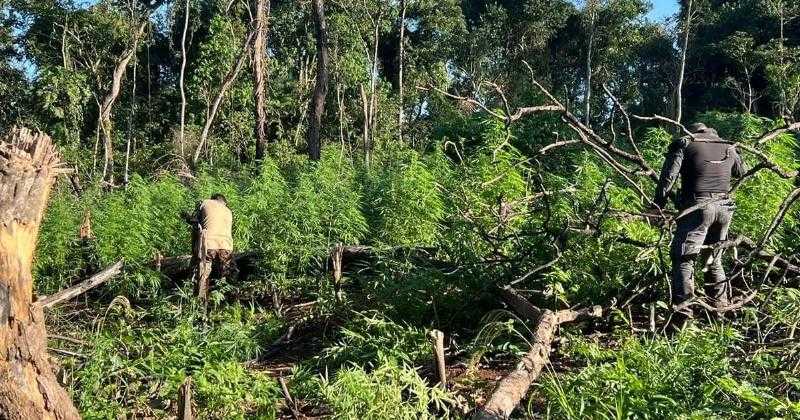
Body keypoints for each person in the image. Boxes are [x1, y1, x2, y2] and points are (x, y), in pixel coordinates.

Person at [653, 122, 746, 316]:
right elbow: (742, 172)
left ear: (691, 131)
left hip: (698, 207)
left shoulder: (685, 143)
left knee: (684, 258)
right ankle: (719, 311)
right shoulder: (728, 145)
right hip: (725, 207)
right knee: (714, 259)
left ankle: (683, 315)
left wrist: (657, 206)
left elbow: (668, 178)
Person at [185, 193, 237, 306]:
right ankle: (225, 305)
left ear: (213, 199)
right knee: (224, 276)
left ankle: (199, 304)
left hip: (209, 244)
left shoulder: (205, 203)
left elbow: (195, 223)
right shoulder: (228, 210)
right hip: (226, 246)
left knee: (203, 275)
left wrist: (187, 218)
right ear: (224, 202)